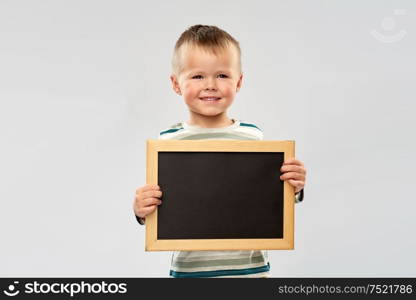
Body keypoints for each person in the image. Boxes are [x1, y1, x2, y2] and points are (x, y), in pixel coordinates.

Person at [133, 24, 307, 278]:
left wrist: (295, 187)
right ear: (176, 83)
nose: (211, 85)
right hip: (190, 272)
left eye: (222, 75)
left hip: (249, 270)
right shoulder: (169, 142)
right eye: (197, 76)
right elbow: (163, 207)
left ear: (239, 82)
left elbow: (267, 197)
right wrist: (140, 210)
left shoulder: (252, 136)